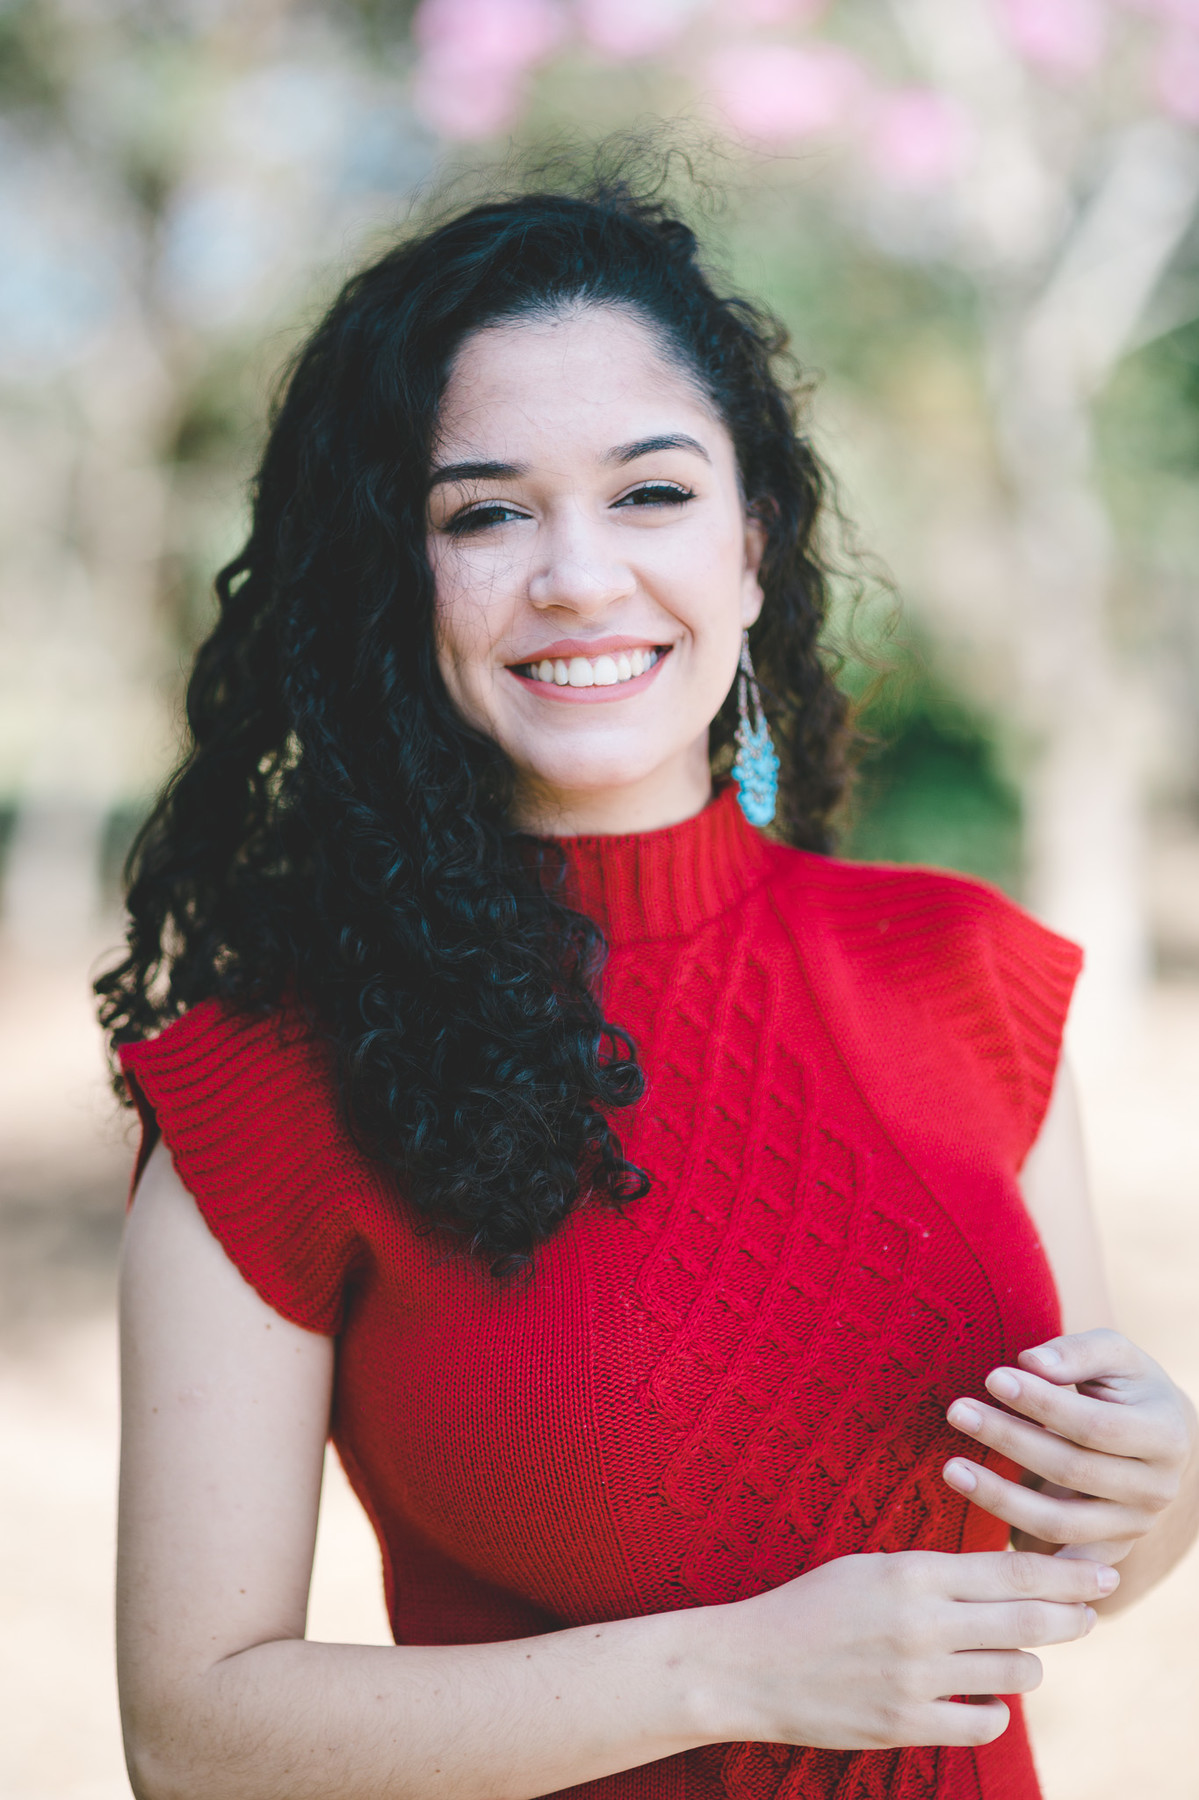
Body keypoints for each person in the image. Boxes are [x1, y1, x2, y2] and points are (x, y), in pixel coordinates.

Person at [100, 176, 1198, 1800]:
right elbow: (194, 1736)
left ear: (750, 550)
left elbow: (1051, 1573)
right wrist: (730, 1670)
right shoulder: (269, 1086)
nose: (578, 579)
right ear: (403, 586)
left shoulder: (966, 973)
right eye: (485, 513)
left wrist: (1159, 1487)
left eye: (651, 495)